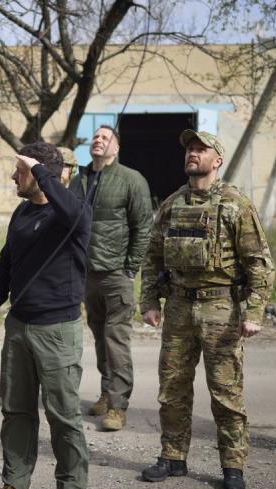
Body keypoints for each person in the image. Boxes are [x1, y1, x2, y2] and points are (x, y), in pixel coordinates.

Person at [138, 130, 275, 489]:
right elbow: (152, 257)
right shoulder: (171, 204)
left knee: (226, 392)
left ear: (217, 160)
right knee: (172, 388)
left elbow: (260, 264)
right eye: (190, 149)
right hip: (179, 306)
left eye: (201, 149)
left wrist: (255, 313)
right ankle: (172, 457)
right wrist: (149, 302)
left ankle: (232, 465)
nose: (193, 154)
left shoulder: (235, 205)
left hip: (221, 307)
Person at [0, 142, 93, 489]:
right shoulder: (22, 212)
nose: (14, 176)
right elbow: (7, 260)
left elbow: (73, 211)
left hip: (58, 329)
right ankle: (16, 485)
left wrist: (45, 171)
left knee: (64, 416)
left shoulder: (74, 214)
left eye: (21, 170)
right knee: (16, 411)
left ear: (44, 173)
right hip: (19, 326)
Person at [67, 125, 152, 431]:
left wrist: (130, 268)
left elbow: (143, 226)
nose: (98, 141)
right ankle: (106, 392)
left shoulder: (131, 179)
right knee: (101, 340)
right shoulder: (80, 180)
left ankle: (118, 406)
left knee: (116, 342)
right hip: (87, 276)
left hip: (116, 275)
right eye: (96, 137)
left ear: (116, 147)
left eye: (106, 138)